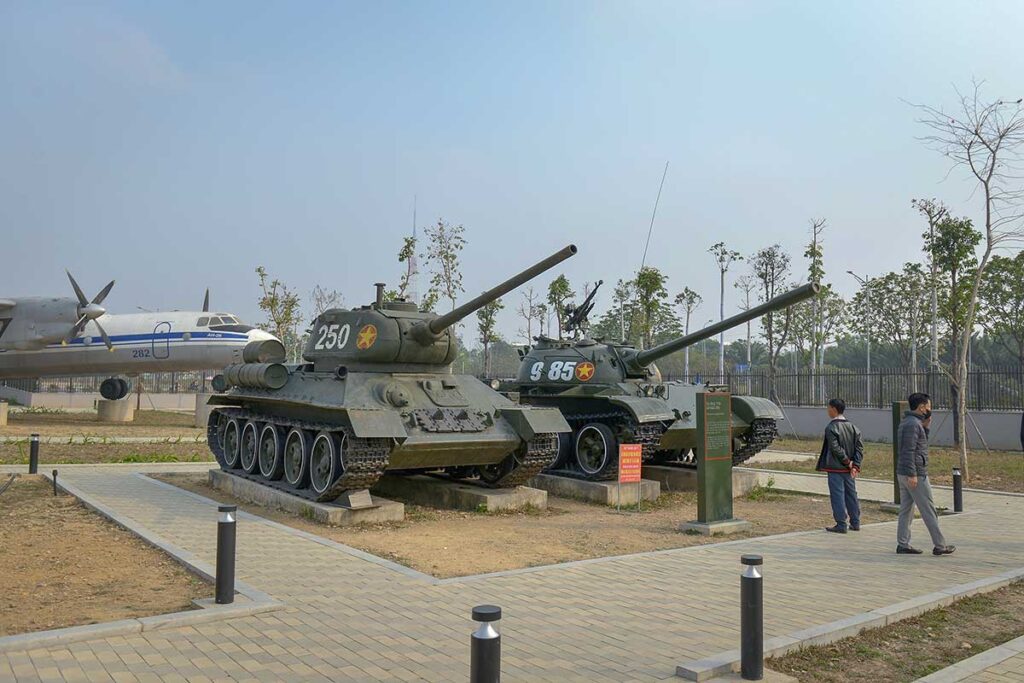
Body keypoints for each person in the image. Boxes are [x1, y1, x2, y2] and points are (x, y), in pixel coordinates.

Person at [896, 392, 955, 556]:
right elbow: (909, 451)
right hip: (914, 474)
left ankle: (903, 544)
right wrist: (913, 474)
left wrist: (926, 427)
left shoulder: (910, 422)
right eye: (928, 406)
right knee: (928, 509)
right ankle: (940, 545)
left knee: (906, 510)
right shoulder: (912, 424)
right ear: (921, 407)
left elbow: (919, 444)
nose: (930, 409)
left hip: (905, 472)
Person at [816, 398, 864, 533]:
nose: (827, 411)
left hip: (836, 467)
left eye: (828, 408)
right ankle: (855, 522)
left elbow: (835, 448)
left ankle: (841, 523)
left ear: (834, 409)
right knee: (851, 494)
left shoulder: (831, 427)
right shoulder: (854, 427)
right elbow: (859, 448)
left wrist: (847, 462)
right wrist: (855, 465)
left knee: (837, 495)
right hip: (849, 469)